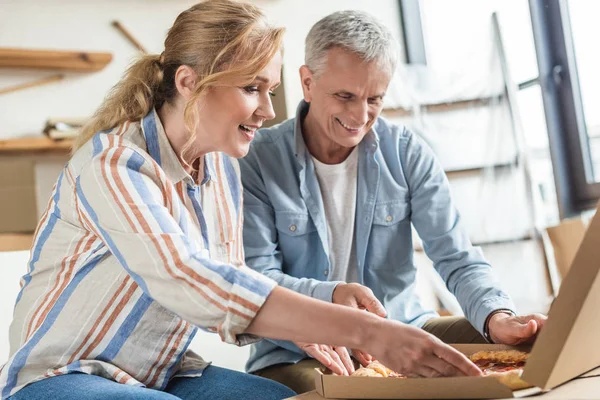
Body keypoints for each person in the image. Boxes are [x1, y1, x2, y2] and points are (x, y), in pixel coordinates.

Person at [0, 2, 484, 400]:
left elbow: (238, 276)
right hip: (63, 377)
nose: (269, 110)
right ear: (189, 83)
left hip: (168, 372)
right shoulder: (115, 165)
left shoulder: (221, 170)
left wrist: (325, 300)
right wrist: (369, 332)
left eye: (270, 90)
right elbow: (191, 280)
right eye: (252, 88)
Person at [240, 10, 547, 394]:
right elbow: (258, 280)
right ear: (307, 82)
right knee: (330, 393)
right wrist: (335, 306)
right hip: (299, 351)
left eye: (375, 98)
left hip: (406, 329)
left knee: (529, 348)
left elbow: (456, 257)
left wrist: (497, 316)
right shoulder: (256, 160)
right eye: (345, 96)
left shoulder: (407, 153)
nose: (360, 115)